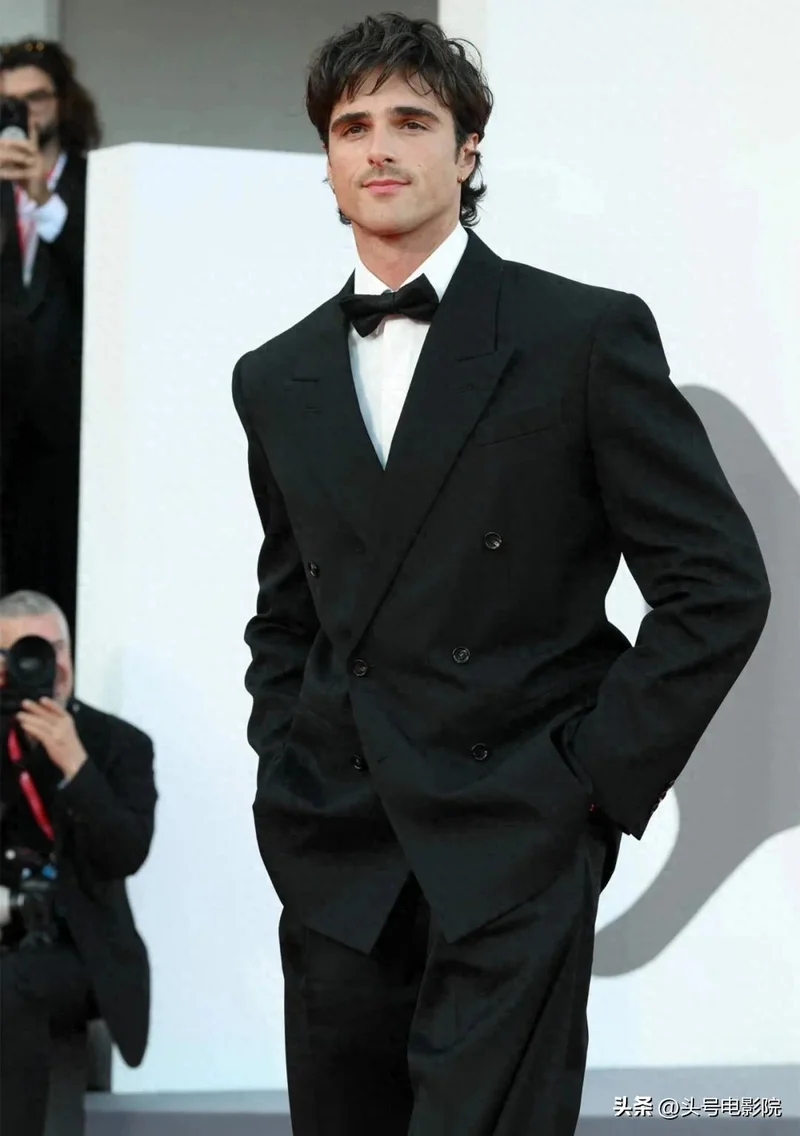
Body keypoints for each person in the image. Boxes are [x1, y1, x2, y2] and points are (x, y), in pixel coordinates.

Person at [231, 14, 771, 1136]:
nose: (380, 147)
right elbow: (289, 610)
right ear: (326, 159)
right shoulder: (274, 375)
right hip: (338, 848)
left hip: (512, 837)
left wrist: (590, 786)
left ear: (467, 147)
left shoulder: (579, 335)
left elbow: (717, 583)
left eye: (410, 120)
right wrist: (284, 763)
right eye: (352, 126)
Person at [0, 590, 157, 1136]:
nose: (48, 664)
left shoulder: (119, 744)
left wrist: (77, 767)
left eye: (55, 647)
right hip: (9, 938)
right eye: (26, 650)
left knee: (11, 984)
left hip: (86, 949)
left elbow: (126, 853)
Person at [0, 39, 102, 651]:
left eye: (35, 98)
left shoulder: (98, 181)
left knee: (59, 581)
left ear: (62, 101)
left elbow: (109, 276)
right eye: (9, 103)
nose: (24, 113)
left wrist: (44, 200)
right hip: (4, 415)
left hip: (66, 424)